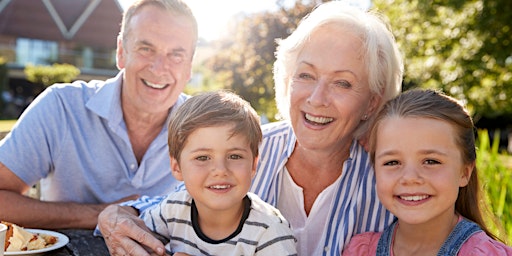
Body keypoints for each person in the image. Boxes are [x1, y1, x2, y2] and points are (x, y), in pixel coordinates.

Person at [98, 2, 404, 255]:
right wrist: (118, 214)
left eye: (343, 83)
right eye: (306, 76)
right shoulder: (247, 146)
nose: (316, 98)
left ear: (371, 103)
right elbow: (175, 202)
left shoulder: (391, 177)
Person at [0, 0, 198, 229]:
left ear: (190, 66)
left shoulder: (209, 128)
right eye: (146, 49)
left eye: (176, 55)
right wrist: (99, 215)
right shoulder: (61, 107)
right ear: (121, 53)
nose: (158, 67)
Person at [343, 89, 512, 255]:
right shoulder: (359, 250)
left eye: (431, 161)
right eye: (392, 162)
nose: (410, 178)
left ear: (464, 172)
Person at [140, 90, 297, 255]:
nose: (221, 170)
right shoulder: (173, 209)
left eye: (234, 156)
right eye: (202, 158)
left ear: (253, 165)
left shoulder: (270, 232)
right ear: (176, 167)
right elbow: (132, 243)